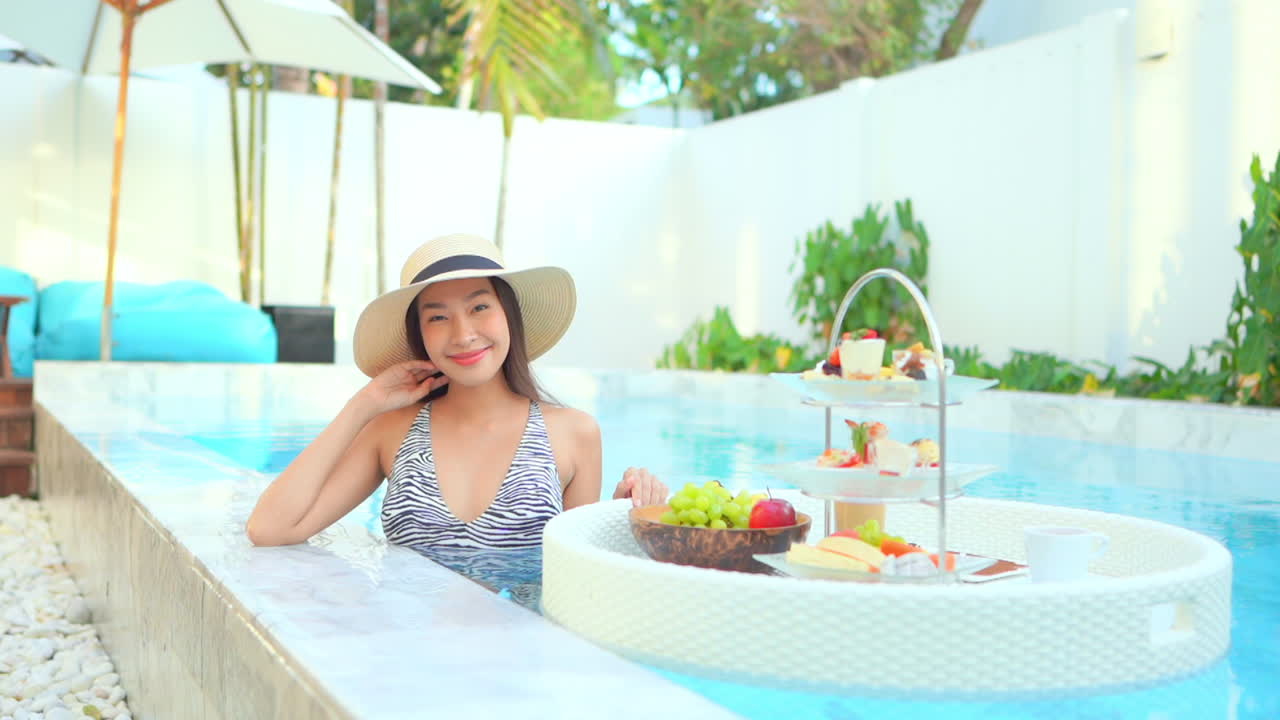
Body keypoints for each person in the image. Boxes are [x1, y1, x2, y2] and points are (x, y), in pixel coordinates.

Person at [247, 234, 668, 549]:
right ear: (420, 335)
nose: (463, 335)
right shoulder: (390, 431)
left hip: (519, 654)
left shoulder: (574, 433)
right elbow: (269, 529)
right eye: (438, 317)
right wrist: (361, 407)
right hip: (400, 653)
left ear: (509, 316)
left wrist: (619, 514)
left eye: (479, 307)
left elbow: (576, 576)